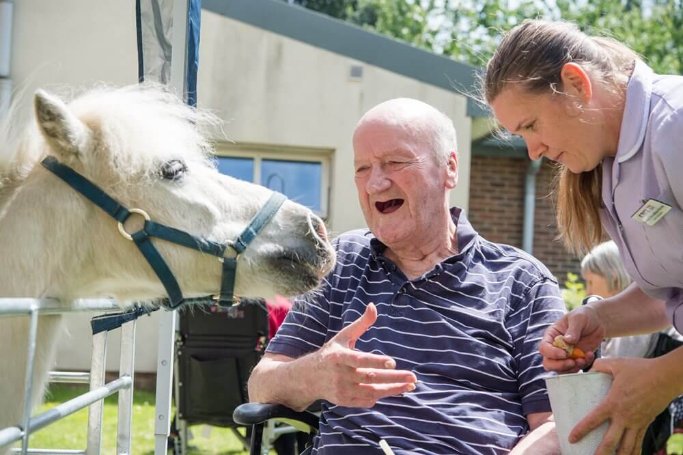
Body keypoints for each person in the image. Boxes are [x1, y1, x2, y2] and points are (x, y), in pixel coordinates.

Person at [247, 98, 567, 454]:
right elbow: (262, 386)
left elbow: (556, 424)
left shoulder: (522, 282)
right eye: (362, 168)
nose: (374, 184)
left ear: (449, 169)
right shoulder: (344, 262)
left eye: (395, 163)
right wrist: (315, 375)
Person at [483, 19, 683, 455]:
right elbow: (672, 292)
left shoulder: (675, 125)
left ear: (575, 82)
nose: (532, 151)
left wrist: (664, 377)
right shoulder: (607, 166)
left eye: (531, 125)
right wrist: (602, 319)